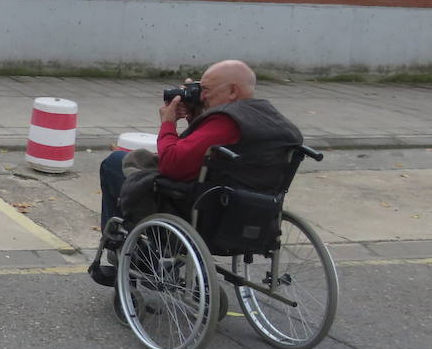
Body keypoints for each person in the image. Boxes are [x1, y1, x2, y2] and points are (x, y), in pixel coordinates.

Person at [97, 59, 304, 241]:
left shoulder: (227, 120)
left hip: (205, 210)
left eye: (206, 89)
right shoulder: (275, 121)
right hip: (255, 211)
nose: (202, 96)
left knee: (115, 163)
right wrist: (196, 119)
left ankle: (125, 248)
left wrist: (168, 124)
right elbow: (206, 152)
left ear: (232, 91)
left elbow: (172, 164)